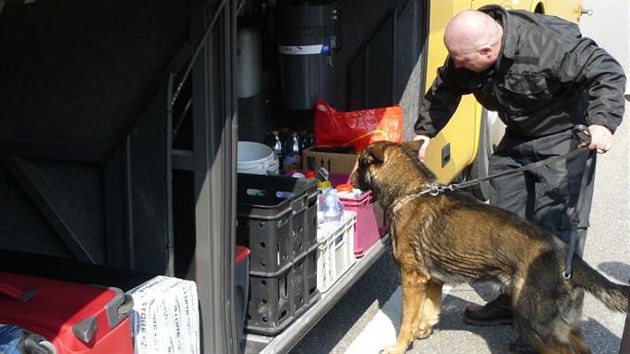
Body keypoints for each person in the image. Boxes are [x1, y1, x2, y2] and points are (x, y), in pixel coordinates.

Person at [412, 4, 626, 349]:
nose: (458, 65)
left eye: (463, 60)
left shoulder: (548, 43)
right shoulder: (467, 54)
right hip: (520, 132)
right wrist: (424, 133)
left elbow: (608, 72)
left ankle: (548, 325)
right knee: (504, 225)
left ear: (488, 49)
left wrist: (602, 121)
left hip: (564, 133)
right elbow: (446, 89)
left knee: (554, 230)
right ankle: (512, 302)